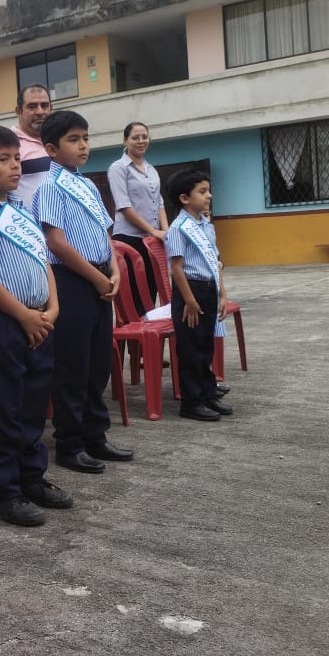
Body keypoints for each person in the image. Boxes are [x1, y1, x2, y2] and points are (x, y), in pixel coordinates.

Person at [0, 126, 72, 526]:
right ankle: (2, 492)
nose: (15, 166)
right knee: (3, 409)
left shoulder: (22, 210)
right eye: (2, 160)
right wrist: (22, 314)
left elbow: (43, 262)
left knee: (33, 406)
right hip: (3, 323)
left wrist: (53, 307)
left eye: (17, 158)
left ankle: (31, 478)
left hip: (39, 320)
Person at [33, 111, 134, 474]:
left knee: (97, 362)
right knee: (72, 365)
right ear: (51, 149)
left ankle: (95, 434)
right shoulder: (49, 187)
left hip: (100, 278)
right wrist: (96, 277)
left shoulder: (88, 185)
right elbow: (56, 242)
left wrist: (114, 271)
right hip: (72, 281)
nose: (83, 146)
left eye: (86, 139)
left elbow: (107, 233)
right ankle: (70, 443)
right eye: (73, 140)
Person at [164, 170, 234, 421]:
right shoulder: (178, 228)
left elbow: (215, 262)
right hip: (190, 293)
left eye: (208, 190)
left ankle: (207, 394)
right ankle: (191, 402)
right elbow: (176, 269)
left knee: (205, 346)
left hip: (208, 289)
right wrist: (190, 301)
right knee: (191, 349)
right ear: (184, 198)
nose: (209, 196)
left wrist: (222, 294)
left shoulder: (206, 225)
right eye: (202, 192)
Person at [109, 121, 168, 315]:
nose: (141, 141)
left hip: (152, 241)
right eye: (135, 137)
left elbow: (159, 202)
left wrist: (165, 232)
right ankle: (133, 333)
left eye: (145, 137)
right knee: (134, 298)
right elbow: (123, 205)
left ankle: (148, 333)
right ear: (125, 140)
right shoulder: (118, 168)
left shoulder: (151, 169)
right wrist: (152, 230)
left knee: (151, 294)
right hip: (129, 239)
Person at [10, 83, 53, 209]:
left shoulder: (60, 140)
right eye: (32, 106)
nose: (40, 112)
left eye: (44, 106)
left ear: (51, 108)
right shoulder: (7, 144)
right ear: (18, 111)